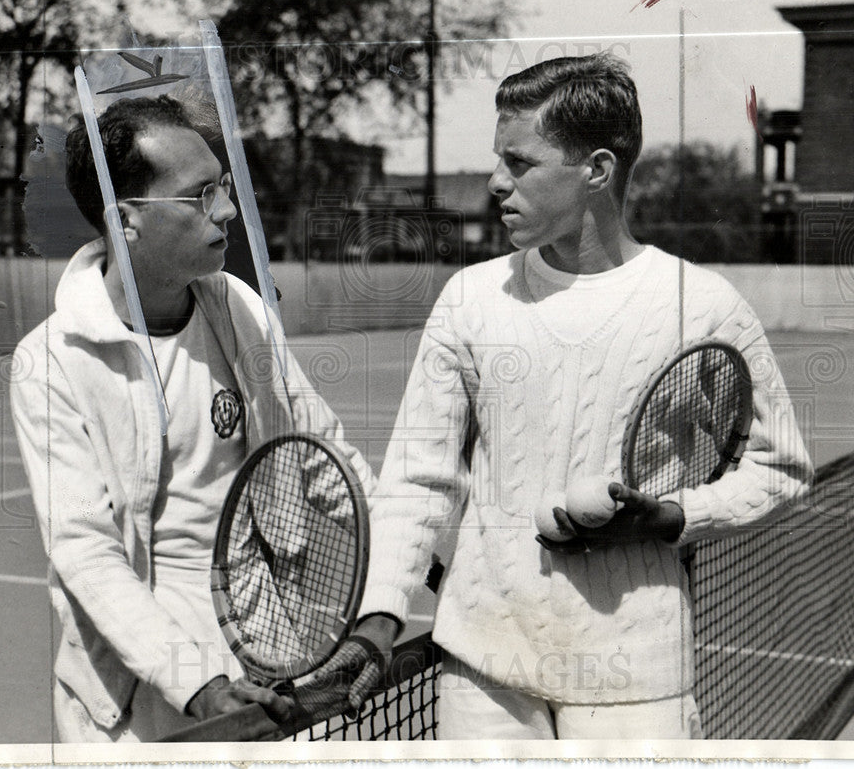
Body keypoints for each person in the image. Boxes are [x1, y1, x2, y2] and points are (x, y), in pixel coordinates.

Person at [326, 53, 813, 739]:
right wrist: (379, 617)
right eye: (498, 160)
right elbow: (418, 478)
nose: (496, 183)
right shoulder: (468, 298)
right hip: (481, 668)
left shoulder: (704, 305)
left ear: (597, 171)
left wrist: (672, 516)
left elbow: (782, 465)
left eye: (519, 163)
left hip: (636, 674)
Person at [9, 95, 375, 742]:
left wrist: (413, 563)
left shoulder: (239, 305)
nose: (228, 210)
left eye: (225, 189)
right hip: (140, 685)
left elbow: (322, 453)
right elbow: (86, 552)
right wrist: (198, 684)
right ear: (127, 220)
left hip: (270, 643)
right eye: (201, 196)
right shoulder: (48, 362)